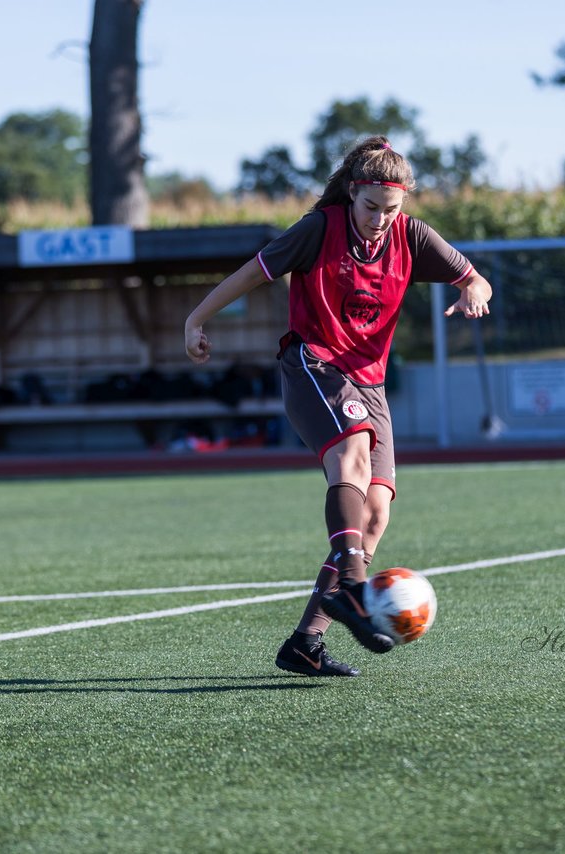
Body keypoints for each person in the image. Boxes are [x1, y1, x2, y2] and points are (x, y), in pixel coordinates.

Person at [184, 136, 492, 677]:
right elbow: (255, 271)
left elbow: (474, 276)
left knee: (375, 516)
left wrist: (473, 289)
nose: (379, 219)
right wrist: (196, 318)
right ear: (352, 193)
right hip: (315, 364)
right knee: (350, 453)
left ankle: (305, 643)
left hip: (369, 385)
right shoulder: (319, 229)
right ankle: (352, 588)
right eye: (370, 207)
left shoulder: (411, 236)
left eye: (390, 210)